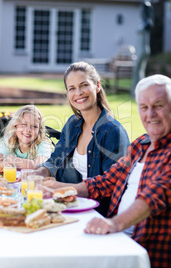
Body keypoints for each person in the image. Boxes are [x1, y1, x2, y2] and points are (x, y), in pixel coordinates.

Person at [44, 74, 171, 268]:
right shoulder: (142, 143)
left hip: (150, 254)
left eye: (158, 105)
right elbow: (106, 181)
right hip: (115, 240)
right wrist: (58, 189)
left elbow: (155, 196)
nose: (150, 114)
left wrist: (114, 224)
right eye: (144, 107)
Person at [34, 61, 130, 216]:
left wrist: (57, 187)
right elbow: (55, 159)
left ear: (97, 86)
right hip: (66, 207)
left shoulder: (113, 132)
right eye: (72, 88)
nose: (78, 92)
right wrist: (39, 173)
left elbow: (112, 185)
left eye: (84, 85)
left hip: (96, 214)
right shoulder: (73, 124)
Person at [0, 105, 53, 170]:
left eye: (34, 126)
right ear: (15, 125)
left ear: (39, 130)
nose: (28, 130)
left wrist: (13, 161)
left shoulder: (43, 144)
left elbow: (37, 165)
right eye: (24, 124)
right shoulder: (10, 140)